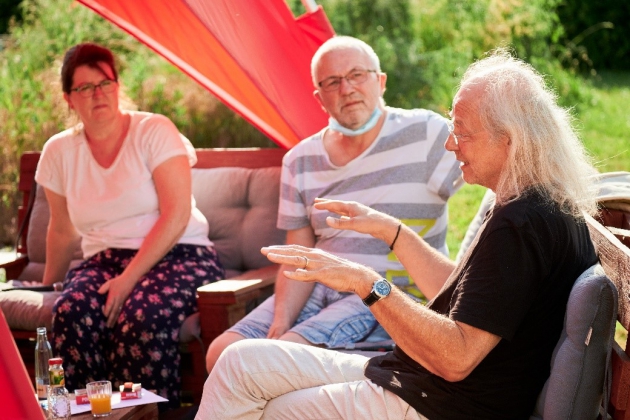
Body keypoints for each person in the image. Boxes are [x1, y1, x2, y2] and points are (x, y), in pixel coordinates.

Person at [195, 48, 600, 419]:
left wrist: (365, 282)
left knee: (266, 405)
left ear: (508, 138)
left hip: (438, 403)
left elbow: (456, 358)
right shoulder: (539, 207)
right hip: (419, 381)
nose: (450, 144)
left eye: (462, 132)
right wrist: (392, 231)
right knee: (238, 361)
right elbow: (472, 299)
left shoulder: (521, 224)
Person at [205, 36, 462, 372]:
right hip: (317, 289)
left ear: (380, 81)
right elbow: (297, 258)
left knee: (279, 357)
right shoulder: (300, 160)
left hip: (384, 292)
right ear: (319, 97)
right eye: (333, 82)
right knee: (221, 352)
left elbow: (493, 181)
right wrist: (280, 322)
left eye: (357, 75)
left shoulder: (427, 134)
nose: (347, 89)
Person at [35, 43, 225, 407]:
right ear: (69, 99)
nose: (98, 93)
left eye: (105, 82)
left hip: (179, 254)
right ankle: (87, 415)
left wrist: (128, 280)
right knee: (71, 310)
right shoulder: (59, 151)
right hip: (104, 261)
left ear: (118, 86)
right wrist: (48, 286)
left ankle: (146, 416)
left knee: (141, 317)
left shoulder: (154, 130)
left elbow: (176, 214)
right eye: (85, 87)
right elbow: (61, 229)